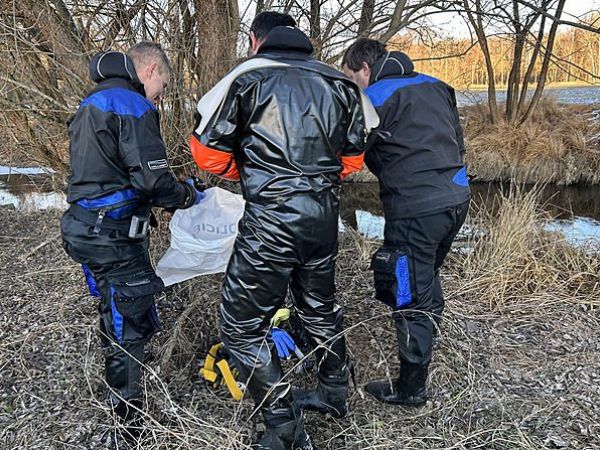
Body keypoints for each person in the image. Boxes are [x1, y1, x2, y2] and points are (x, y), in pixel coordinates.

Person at [190, 12, 375, 450]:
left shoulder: (244, 78)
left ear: (257, 41)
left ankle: (285, 429)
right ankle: (333, 391)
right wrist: (314, 182)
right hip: (322, 220)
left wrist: (254, 174)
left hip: (270, 224)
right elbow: (354, 159)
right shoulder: (341, 83)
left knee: (241, 327)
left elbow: (206, 154)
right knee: (319, 309)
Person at [60, 42, 204, 435]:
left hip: (84, 228)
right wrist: (188, 195)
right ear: (151, 70)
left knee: (113, 308)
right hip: (114, 235)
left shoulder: (89, 104)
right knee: (129, 320)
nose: (160, 95)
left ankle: (121, 384)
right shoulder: (132, 106)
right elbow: (152, 182)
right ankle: (128, 420)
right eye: (164, 86)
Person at [342, 38, 471, 406]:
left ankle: (411, 388)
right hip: (456, 198)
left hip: (415, 209)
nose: (351, 87)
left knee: (406, 290)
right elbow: (456, 141)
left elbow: (346, 152)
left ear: (364, 69)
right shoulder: (435, 85)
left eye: (351, 79)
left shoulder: (375, 97)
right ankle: (426, 331)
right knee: (423, 275)